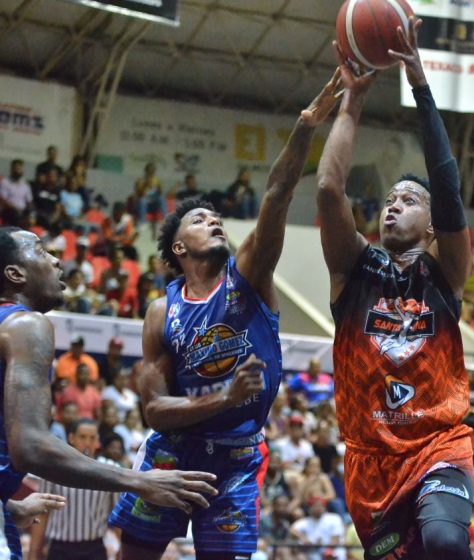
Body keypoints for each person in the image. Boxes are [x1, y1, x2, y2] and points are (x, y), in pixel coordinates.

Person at [107, 73, 343, 560]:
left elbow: (276, 195)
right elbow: (154, 410)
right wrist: (225, 396)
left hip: (235, 460)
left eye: (215, 216)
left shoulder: (249, 275)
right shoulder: (160, 312)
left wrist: (304, 127)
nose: (213, 219)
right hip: (173, 454)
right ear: (178, 248)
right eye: (199, 219)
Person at [315, 20, 474, 560]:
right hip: (370, 460)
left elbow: (448, 190)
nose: (392, 205)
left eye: (409, 200)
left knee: (447, 542)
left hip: (438, 445)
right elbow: (328, 189)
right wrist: (351, 104)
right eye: (389, 199)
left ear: (432, 227)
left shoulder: (445, 272)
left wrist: (421, 87)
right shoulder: (353, 270)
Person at [0, 227, 217, 560]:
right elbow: (29, 446)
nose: (57, 260)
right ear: (15, 273)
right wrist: (139, 481)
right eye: (42, 251)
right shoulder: (24, 325)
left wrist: (8, 507)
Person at [27, 419, 120, 560]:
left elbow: (118, 514)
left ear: (97, 441)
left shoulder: (110, 469)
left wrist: (122, 549)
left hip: (94, 548)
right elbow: (42, 513)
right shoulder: (54, 469)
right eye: (82, 437)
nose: (87, 442)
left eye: (92, 438)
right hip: (60, 548)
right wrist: (34, 552)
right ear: (71, 438)